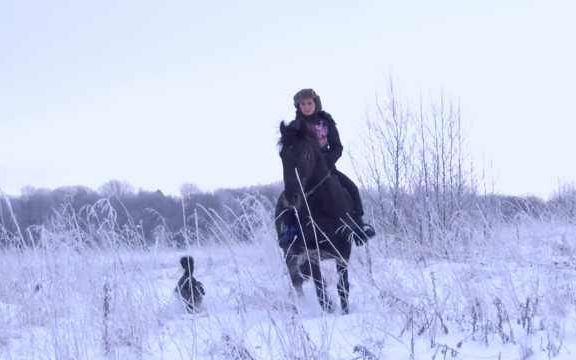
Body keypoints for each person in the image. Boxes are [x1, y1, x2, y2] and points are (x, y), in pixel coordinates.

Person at [279, 88, 375, 247]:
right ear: (298, 106)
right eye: (302, 104)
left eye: (309, 103)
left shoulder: (326, 122)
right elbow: (290, 150)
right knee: (290, 194)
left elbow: (337, 147)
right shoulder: (295, 126)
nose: (306, 106)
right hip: (303, 170)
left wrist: (327, 161)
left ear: (315, 103)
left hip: (326, 168)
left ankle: (358, 225)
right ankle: (290, 230)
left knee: (351, 187)